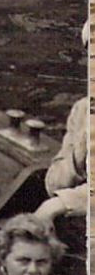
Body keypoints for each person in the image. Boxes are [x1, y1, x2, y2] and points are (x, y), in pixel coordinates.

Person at [39, 22, 89, 225]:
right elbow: (55, 183)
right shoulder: (83, 109)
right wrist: (84, 143)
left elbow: (56, 197)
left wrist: (59, 204)